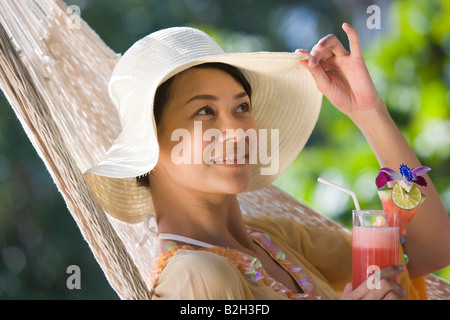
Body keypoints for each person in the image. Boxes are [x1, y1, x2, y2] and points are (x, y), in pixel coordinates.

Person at [85, 23, 450, 300]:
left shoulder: (273, 240)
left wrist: (369, 112)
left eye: (241, 107)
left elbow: (426, 248)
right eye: (205, 111)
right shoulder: (197, 278)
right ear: (152, 143)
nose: (236, 130)